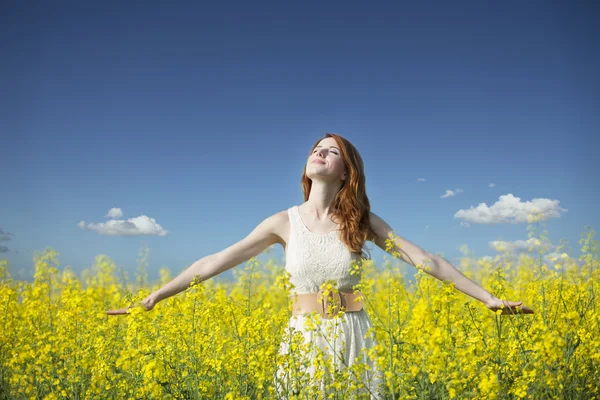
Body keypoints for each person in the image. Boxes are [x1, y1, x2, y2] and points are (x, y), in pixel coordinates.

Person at [107, 133, 534, 399]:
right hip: (304, 340)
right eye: (316, 149)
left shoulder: (362, 222)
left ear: (347, 173)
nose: (319, 153)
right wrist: (157, 296)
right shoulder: (283, 222)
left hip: (354, 335)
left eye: (331, 152)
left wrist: (489, 299)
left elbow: (426, 261)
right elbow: (217, 260)